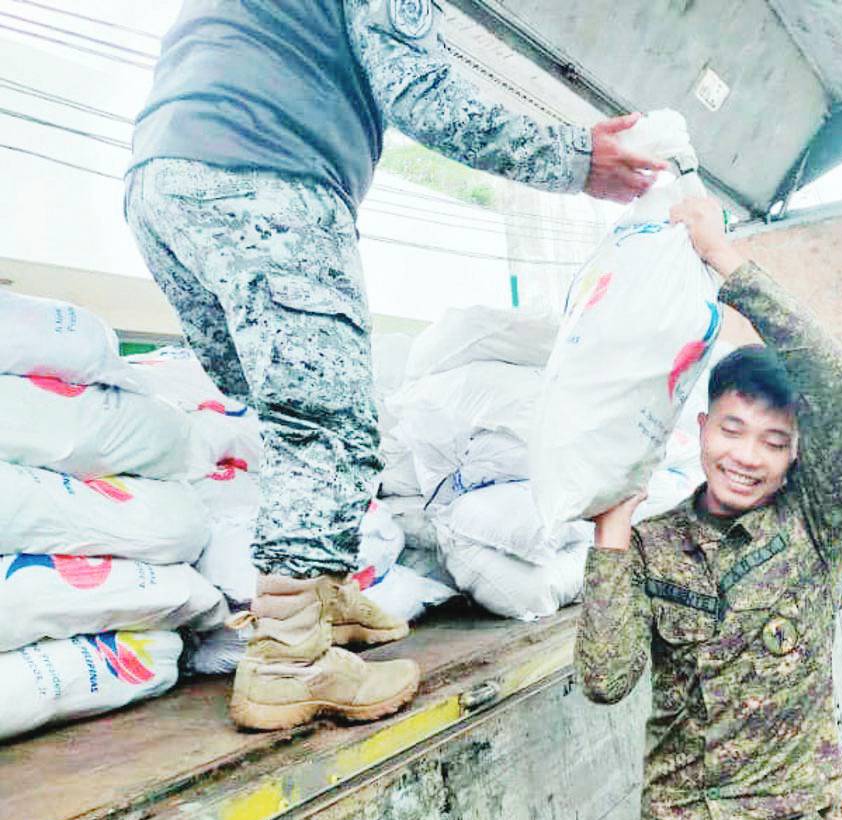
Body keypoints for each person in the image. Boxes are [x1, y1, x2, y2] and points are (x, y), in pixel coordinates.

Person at [124, 0, 665, 732]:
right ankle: (288, 658)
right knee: (325, 424)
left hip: (162, 184)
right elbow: (422, 90)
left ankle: (312, 590)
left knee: (301, 416)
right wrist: (577, 158)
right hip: (263, 174)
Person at [576, 195, 842, 820]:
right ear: (703, 428)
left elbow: (839, 384)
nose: (747, 457)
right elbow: (606, 681)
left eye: (774, 442)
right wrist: (611, 534)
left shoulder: (813, 521)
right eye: (733, 430)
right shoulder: (653, 546)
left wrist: (721, 257)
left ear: (798, 454)